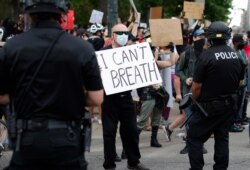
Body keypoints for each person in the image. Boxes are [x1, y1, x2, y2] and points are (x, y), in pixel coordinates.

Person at [0, 0, 104, 169]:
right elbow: (96, 98)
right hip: (67, 139)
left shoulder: (11, 47)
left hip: (27, 139)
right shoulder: (82, 48)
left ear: (28, 14)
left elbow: (2, 96)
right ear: (62, 14)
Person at [187, 21, 244, 170]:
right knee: (222, 138)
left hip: (209, 107)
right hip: (229, 105)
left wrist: (196, 100)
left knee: (193, 137)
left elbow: (196, 86)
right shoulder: (236, 56)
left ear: (209, 37)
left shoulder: (206, 56)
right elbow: (239, 82)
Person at [101, 23, 149, 170]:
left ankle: (133, 161)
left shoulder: (131, 53)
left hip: (127, 98)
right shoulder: (103, 53)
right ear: (113, 35)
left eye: (125, 33)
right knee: (109, 132)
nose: (123, 36)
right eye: (120, 33)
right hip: (109, 99)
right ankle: (109, 164)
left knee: (131, 131)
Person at [164, 28, 208, 154]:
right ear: (193, 38)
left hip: (203, 92)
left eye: (203, 36)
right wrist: (183, 83)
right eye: (199, 36)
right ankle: (190, 145)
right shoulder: (186, 54)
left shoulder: (207, 53)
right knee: (189, 119)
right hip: (188, 93)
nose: (201, 39)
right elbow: (178, 73)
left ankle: (199, 144)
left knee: (200, 119)